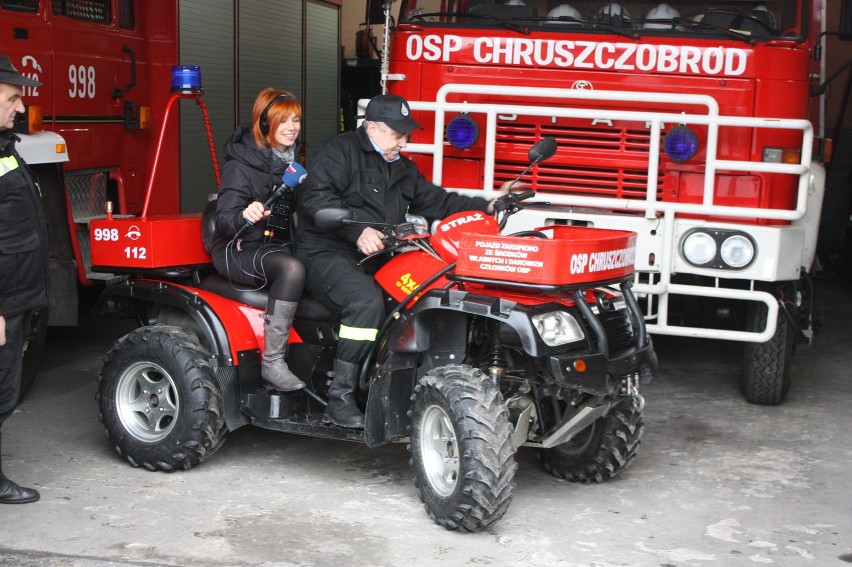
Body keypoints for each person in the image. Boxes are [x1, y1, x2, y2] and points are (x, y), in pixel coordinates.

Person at [295, 94, 505, 429]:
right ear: (373, 128)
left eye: (406, 135)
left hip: (379, 254)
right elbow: (316, 201)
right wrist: (357, 229)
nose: (404, 143)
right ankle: (340, 397)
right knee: (365, 302)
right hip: (326, 251)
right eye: (398, 135)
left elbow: (439, 202)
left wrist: (487, 205)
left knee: (423, 290)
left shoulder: (402, 169)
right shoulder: (338, 152)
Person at [209, 88, 306, 392]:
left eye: (296, 120)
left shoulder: (292, 165)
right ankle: (273, 363)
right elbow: (224, 221)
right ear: (264, 126)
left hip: (275, 244)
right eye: (283, 121)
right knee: (292, 269)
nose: (292, 127)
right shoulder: (239, 166)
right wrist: (244, 214)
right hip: (238, 247)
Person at [0, 54, 48, 504]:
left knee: (6, 388)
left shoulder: (4, 146)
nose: (20, 106)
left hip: (15, 293)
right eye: (13, 97)